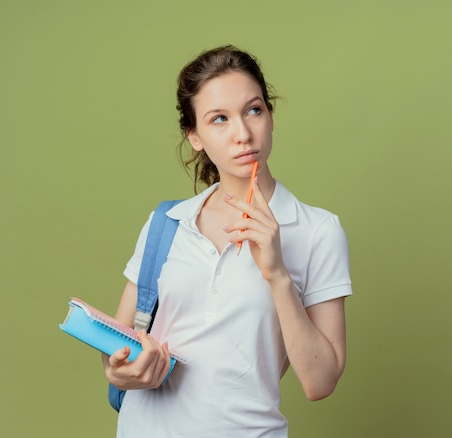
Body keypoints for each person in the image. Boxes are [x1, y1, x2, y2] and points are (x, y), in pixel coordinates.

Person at [101, 45, 352, 437]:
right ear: (195, 136)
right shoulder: (167, 222)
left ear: (269, 115)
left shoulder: (317, 230)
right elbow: (116, 341)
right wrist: (120, 369)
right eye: (219, 119)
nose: (243, 134)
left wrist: (278, 275)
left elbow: (320, 383)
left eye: (253, 110)